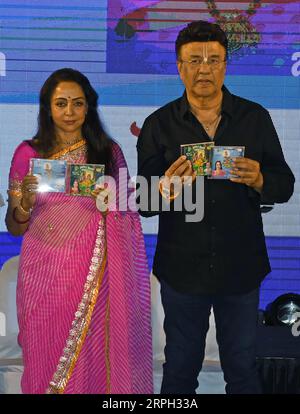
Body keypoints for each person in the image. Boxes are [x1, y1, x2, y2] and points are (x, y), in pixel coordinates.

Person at [137, 21, 295, 394]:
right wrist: (166, 190)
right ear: (179, 66)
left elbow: (284, 184)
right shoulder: (158, 125)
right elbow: (143, 202)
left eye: (213, 59)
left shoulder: (254, 118)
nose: (204, 68)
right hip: (181, 271)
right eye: (194, 60)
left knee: (241, 370)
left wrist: (259, 179)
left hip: (241, 268)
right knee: (179, 370)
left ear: (226, 65)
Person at [6, 68, 153, 394]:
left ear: (89, 107)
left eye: (77, 103)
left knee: (94, 365)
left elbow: (129, 214)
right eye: (61, 104)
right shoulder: (27, 154)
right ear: (47, 108)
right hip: (42, 278)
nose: (69, 112)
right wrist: (25, 204)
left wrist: (109, 205)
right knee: (43, 359)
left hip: (95, 277)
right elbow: (14, 228)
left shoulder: (108, 153)